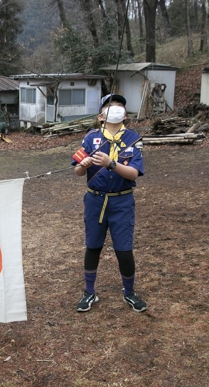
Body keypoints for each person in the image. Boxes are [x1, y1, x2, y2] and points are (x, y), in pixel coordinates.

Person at [71, 93, 146, 313]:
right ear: (100, 116)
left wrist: (111, 163)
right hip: (95, 199)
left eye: (119, 106)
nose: (115, 109)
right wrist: (83, 165)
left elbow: (133, 173)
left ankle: (129, 292)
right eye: (110, 106)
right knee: (93, 245)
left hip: (121, 202)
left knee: (124, 249)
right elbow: (77, 171)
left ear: (125, 113)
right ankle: (89, 292)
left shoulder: (134, 139)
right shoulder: (90, 137)